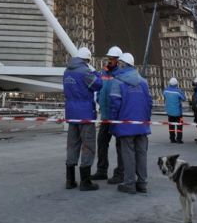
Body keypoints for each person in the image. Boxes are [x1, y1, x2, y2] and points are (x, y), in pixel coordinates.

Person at [109, 52, 154, 195]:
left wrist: (113, 123)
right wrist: (145, 120)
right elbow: (149, 103)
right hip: (142, 124)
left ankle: (129, 184)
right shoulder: (143, 82)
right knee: (141, 153)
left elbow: (114, 105)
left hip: (125, 124)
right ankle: (142, 183)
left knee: (128, 154)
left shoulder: (118, 81)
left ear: (122, 64)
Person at [63, 47, 103, 191]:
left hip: (71, 114)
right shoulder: (85, 71)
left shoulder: (67, 71)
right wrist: (97, 74)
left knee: (72, 144)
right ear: (87, 59)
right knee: (88, 146)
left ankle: (70, 180)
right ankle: (85, 181)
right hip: (85, 114)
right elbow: (98, 85)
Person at [90, 46, 125, 183]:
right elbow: (99, 89)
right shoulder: (104, 72)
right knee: (102, 143)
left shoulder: (121, 74)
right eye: (109, 58)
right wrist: (99, 99)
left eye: (112, 59)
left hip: (116, 117)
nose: (109, 61)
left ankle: (120, 173)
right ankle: (102, 171)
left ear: (118, 60)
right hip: (105, 115)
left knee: (120, 146)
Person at [162, 77, 187, 144]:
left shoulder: (165, 90)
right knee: (179, 126)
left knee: (171, 126)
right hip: (178, 112)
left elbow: (163, 95)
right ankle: (179, 139)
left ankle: (172, 139)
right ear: (176, 84)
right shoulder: (178, 91)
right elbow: (184, 98)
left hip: (169, 112)